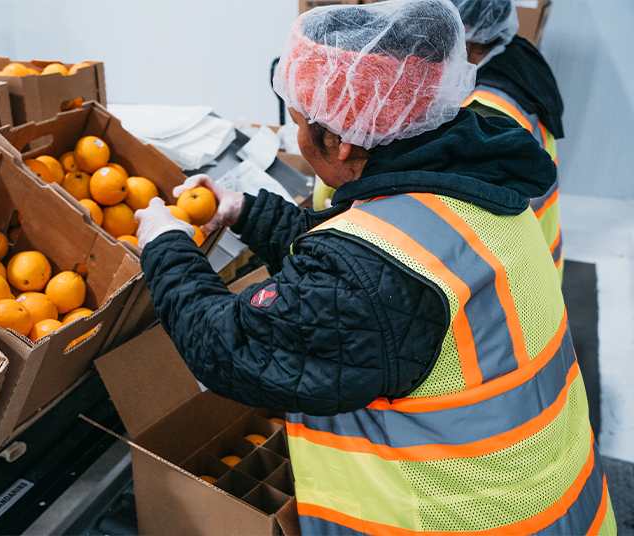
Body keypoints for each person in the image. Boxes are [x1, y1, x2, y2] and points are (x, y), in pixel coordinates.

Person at [134, 0, 615, 533]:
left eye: (299, 123)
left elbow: (235, 347)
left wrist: (166, 245)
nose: (297, 136)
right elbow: (363, 264)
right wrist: (247, 211)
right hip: (555, 503)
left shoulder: (375, 272)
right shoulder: (472, 187)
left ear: (339, 143)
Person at [455, 0, 565, 279]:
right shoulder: (520, 56)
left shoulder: (488, 109)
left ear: (465, 31)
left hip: (517, 270)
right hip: (541, 242)